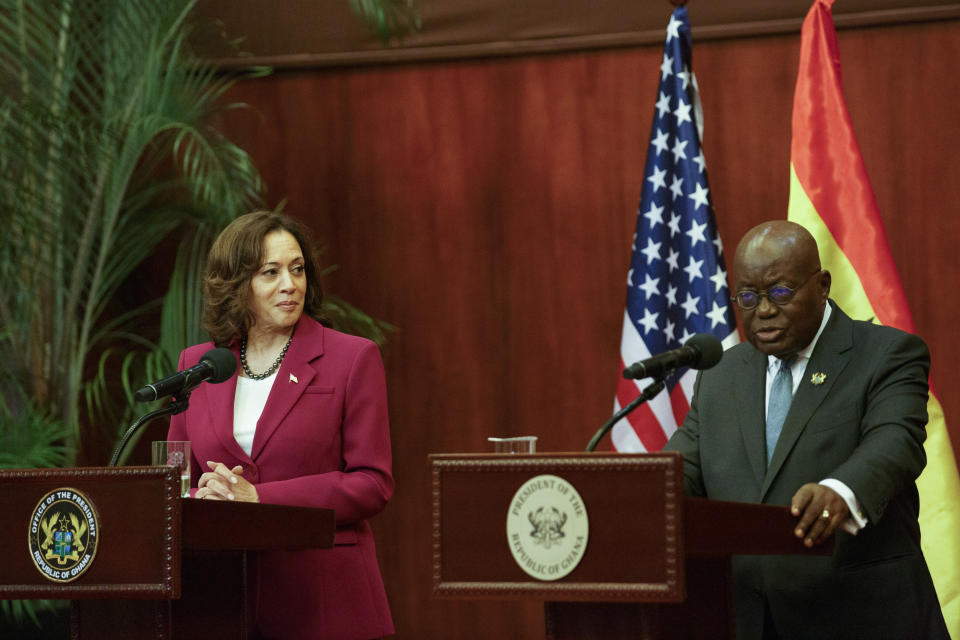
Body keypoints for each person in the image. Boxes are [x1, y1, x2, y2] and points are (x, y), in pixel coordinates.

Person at [664, 220, 949, 639]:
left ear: (822, 285)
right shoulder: (722, 374)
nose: (762, 310)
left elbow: (895, 442)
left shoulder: (886, 354)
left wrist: (842, 489)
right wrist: (633, 493)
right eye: (748, 296)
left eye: (780, 292)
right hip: (749, 620)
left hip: (861, 616)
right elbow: (684, 469)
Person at [167, 210, 394, 640]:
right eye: (270, 272)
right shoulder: (198, 366)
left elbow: (372, 483)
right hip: (222, 602)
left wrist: (258, 498)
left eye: (297, 269)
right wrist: (202, 495)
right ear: (237, 284)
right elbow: (178, 484)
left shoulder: (351, 358)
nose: (290, 284)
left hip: (325, 601)